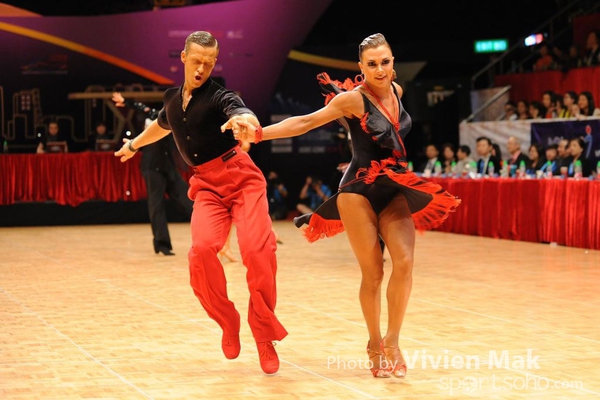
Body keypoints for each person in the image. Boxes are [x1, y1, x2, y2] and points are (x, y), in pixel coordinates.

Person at [225, 33, 460, 378]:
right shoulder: (352, 99)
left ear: (393, 63)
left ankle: (393, 341)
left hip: (393, 186)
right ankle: (373, 341)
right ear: (361, 67)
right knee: (374, 273)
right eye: (372, 64)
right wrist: (259, 134)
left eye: (385, 62)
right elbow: (305, 122)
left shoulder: (397, 91)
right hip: (357, 190)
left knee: (405, 262)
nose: (380, 69)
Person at [114, 31, 287, 375]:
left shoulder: (220, 97)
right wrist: (133, 146)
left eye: (208, 63)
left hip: (241, 179)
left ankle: (264, 334)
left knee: (257, 252)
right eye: (196, 61)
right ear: (183, 58)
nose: (201, 69)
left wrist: (246, 121)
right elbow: (161, 127)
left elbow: (242, 111)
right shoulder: (171, 99)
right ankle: (228, 321)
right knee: (202, 251)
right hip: (207, 186)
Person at [112, 92, 193, 256]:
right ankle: (162, 244)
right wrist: (126, 101)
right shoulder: (159, 116)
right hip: (152, 167)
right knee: (156, 206)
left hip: (168, 166)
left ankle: (208, 234)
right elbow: (142, 108)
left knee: (188, 200)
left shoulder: (179, 119)